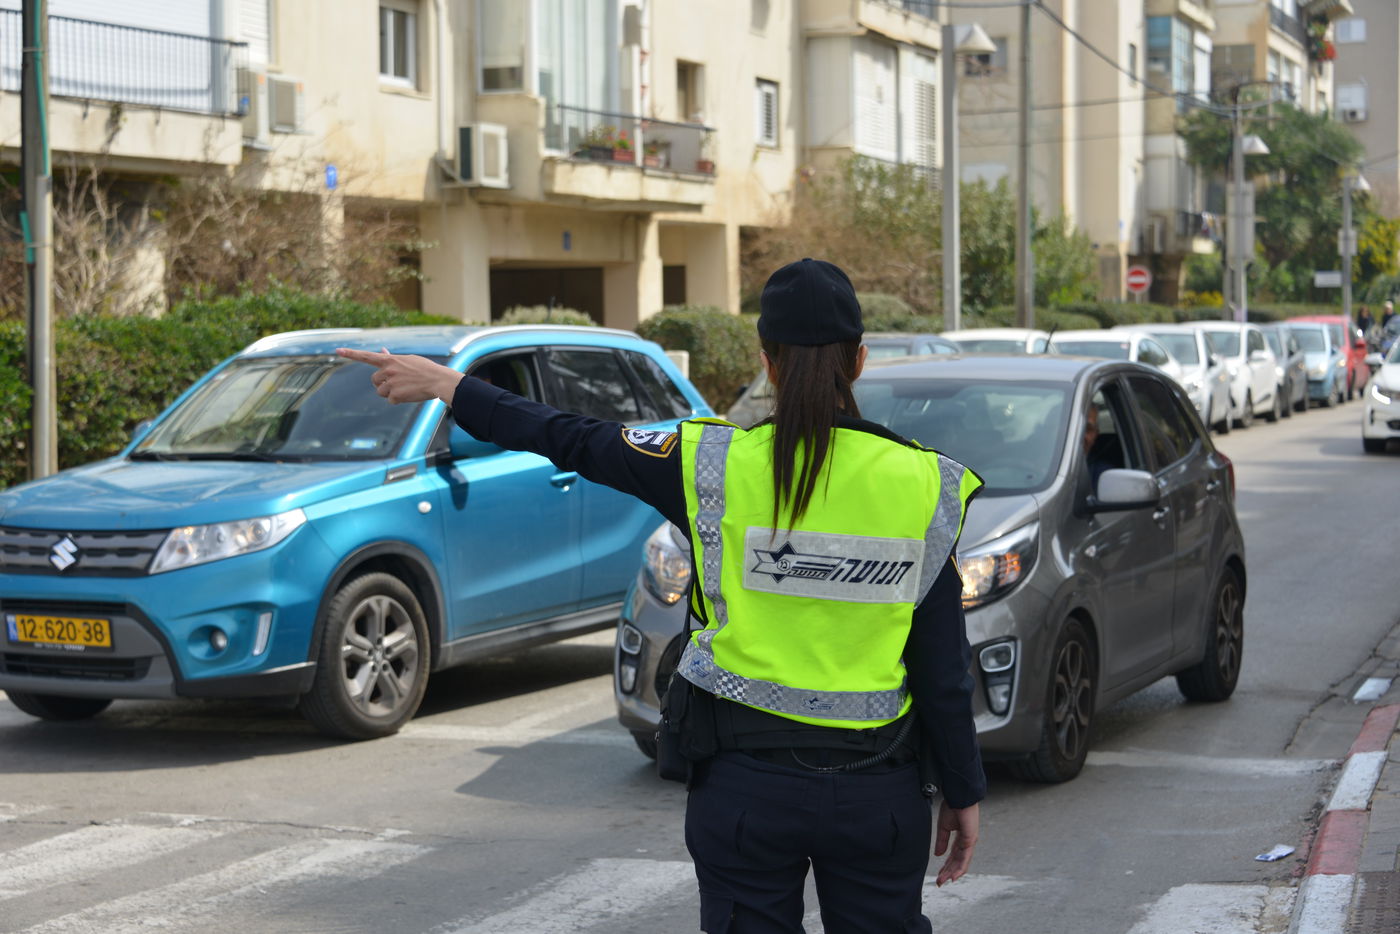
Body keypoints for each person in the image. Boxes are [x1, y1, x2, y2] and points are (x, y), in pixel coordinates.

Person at [338, 258, 985, 933]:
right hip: (877, 794)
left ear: (766, 362)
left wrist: (449, 386)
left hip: (744, 795)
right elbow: (942, 669)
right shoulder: (925, 485)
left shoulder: (709, 463)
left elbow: (569, 436)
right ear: (859, 360)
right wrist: (963, 790)